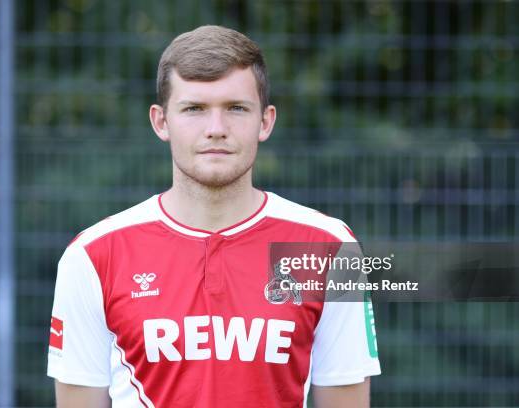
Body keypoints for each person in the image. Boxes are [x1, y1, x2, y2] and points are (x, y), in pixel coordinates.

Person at [47, 25, 381, 407]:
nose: (216, 129)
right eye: (194, 109)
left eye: (236, 108)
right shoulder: (94, 255)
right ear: (160, 121)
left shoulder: (327, 247)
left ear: (266, 121)